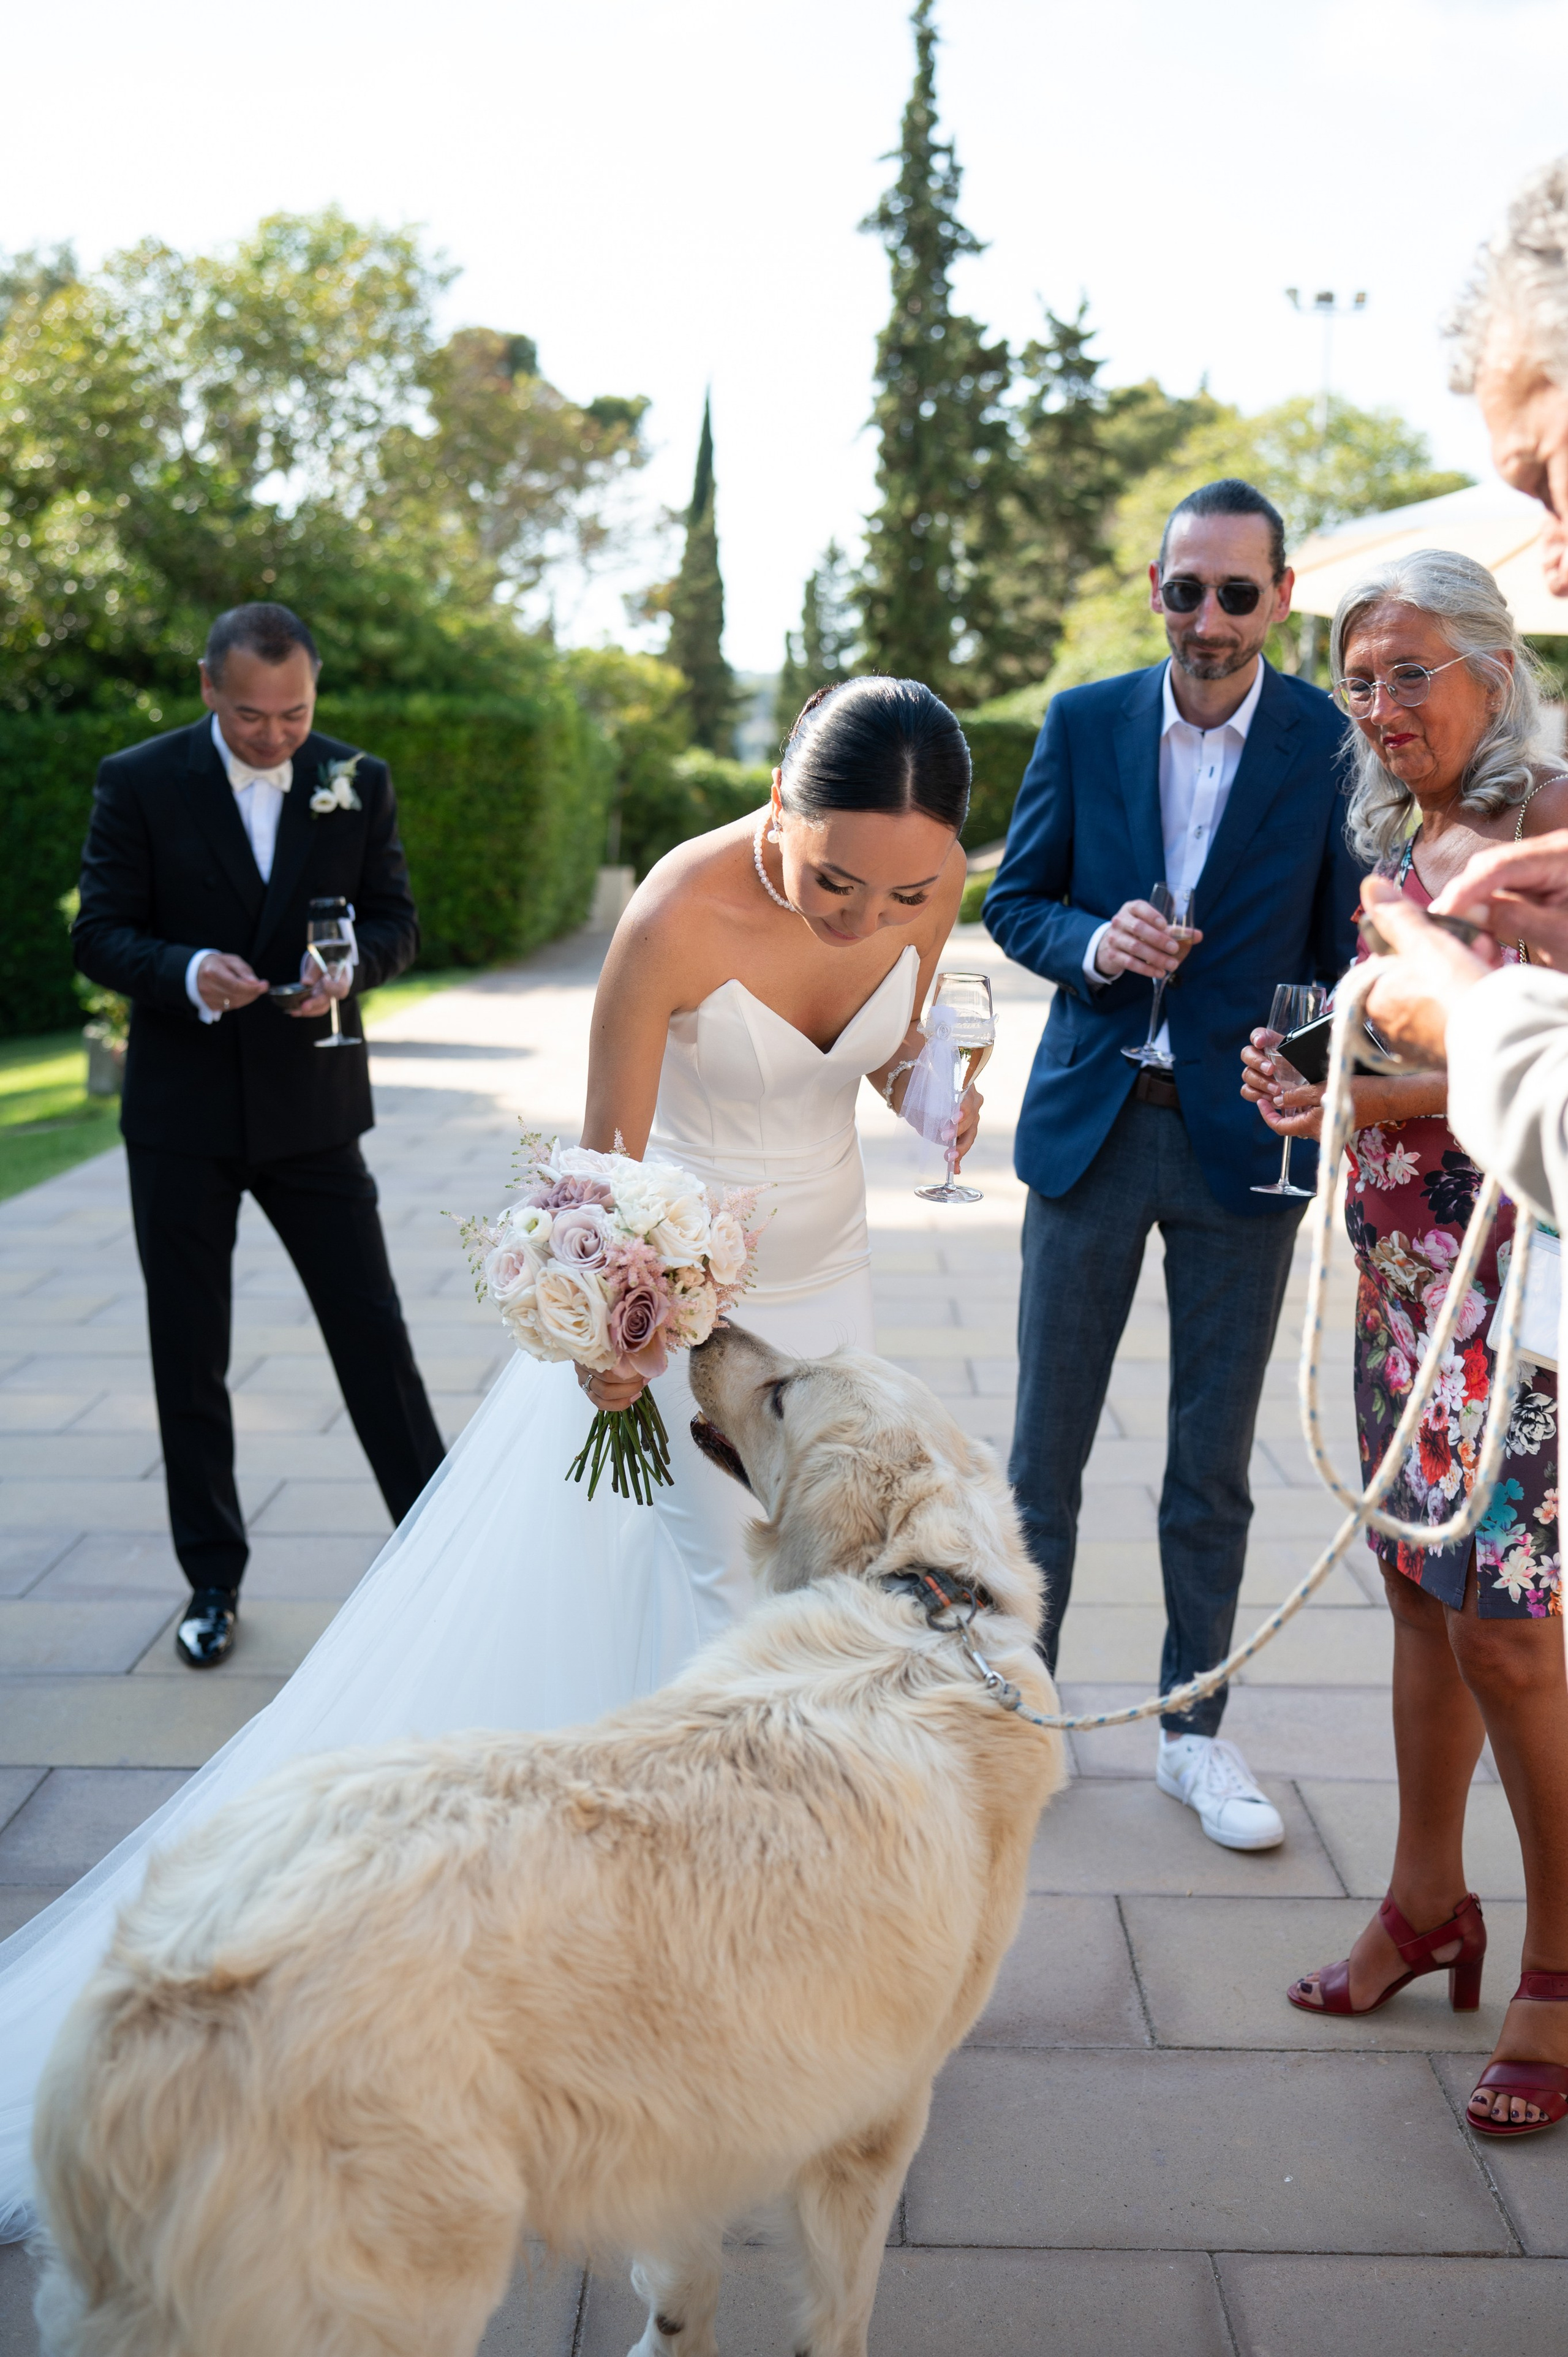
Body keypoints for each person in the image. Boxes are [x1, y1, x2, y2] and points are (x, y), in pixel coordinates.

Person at [0, 674, 979, 2241]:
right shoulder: (674, 912)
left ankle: (720, 1922)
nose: (871, 917)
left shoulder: (918, 898)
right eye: (834, 879)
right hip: (676, 1326)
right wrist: (612, 1325)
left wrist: (928, 1072)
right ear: (776, 810)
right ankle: (724, 1949)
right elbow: (600, 1170)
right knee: (742, 1613)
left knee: (808, 1606)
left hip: (833, 1305)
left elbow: (868, 1048)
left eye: (912, 890)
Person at [1240, 552, 1568, 2139]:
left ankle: (1563, 1967)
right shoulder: (1411, 831)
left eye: (1410, 673)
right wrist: (1325, 1079)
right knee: (1419, 1602)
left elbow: (1536, 1069)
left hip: (1522, 1311)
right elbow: (1416, 1044)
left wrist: (1363, 1091)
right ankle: (1427, 1898)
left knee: (1511, 1631)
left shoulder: (1556, 824)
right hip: (1401, 1279)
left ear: (1497, 670)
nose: (1379, 707)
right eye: (1360, 679)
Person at [985, 478, 1359, 1853]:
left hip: (1239, 1145)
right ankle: (1016, 1721)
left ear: (1278, 597)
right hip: (1090, 1124)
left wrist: (1303, 1061)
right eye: (1184, 589)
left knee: (1209, 1462)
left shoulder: (1326, 744)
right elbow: (1015, 899)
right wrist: (1093, 944)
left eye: (1235, 593)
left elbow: (1347, 955)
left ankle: (1193, 1735)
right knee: (1040, 1459)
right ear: (1155, 588)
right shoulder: (1083, 722)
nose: (1207, 617)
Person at [72, 602, 445, 1669]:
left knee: (373, 1336)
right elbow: (100, 932)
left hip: (313, 1113)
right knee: (189, 1353)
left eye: (295, 714)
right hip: (181, 1122)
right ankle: (211, 1582)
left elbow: (395, 918)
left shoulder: (355, 779)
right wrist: (188, 971)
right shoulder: (137, 780)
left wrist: (354, 967)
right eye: (250, 716)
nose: (276, 735)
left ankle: (436, 1551)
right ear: (207, 688)